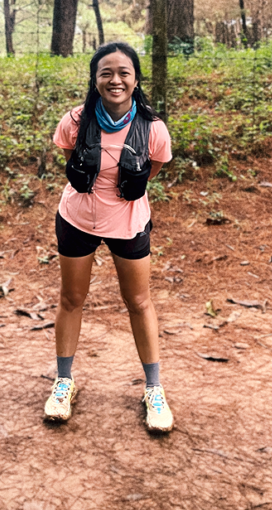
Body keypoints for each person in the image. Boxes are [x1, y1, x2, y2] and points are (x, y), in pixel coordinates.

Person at [43, 42, 175, 433]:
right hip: (76, 219)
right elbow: (69, 155)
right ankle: (64, 381)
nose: (115, 80)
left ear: (135, 80)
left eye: (123, 72)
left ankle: (153, 389)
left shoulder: (153, 128)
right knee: (71, 299)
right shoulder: (75, 120)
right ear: (95, 79)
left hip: (129, 223)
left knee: (138, 301)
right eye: (106, 73)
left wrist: (121, 195)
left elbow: (153, 169)